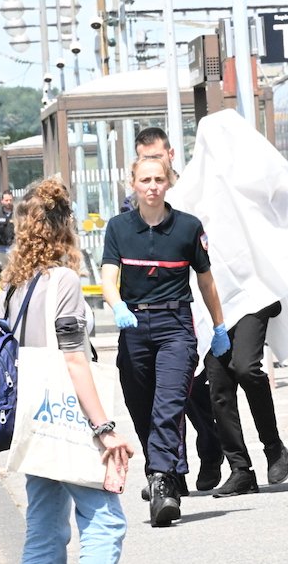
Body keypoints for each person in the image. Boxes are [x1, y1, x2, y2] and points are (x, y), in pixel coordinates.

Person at [0, 177, 133, 564]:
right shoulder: (64, 281)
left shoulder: (13, 286)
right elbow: (73, 359)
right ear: (64, 227)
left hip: (34, 416)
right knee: (105, 522)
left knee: (44, 529)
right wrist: (104, 429)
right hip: (67, 415)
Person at [101, 154, 227, 527]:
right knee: (141, 409)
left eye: (159, 179)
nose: (152, 186)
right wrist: (118, 305)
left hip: (175, 326)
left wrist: (219, 329)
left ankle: (161, 483)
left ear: (169, 181)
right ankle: (168, 471)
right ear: (133, 184)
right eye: (145, 180)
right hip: (134, 325)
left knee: (168, 405)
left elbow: (206, 282)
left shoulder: (188, 228)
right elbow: (109, 276)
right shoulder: (118, 228)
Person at [203, 300, 288, 497]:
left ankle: (273, 447)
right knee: (219, 384)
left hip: (252, 297)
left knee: (246, 369)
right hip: (215, 304)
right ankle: (240, 470)